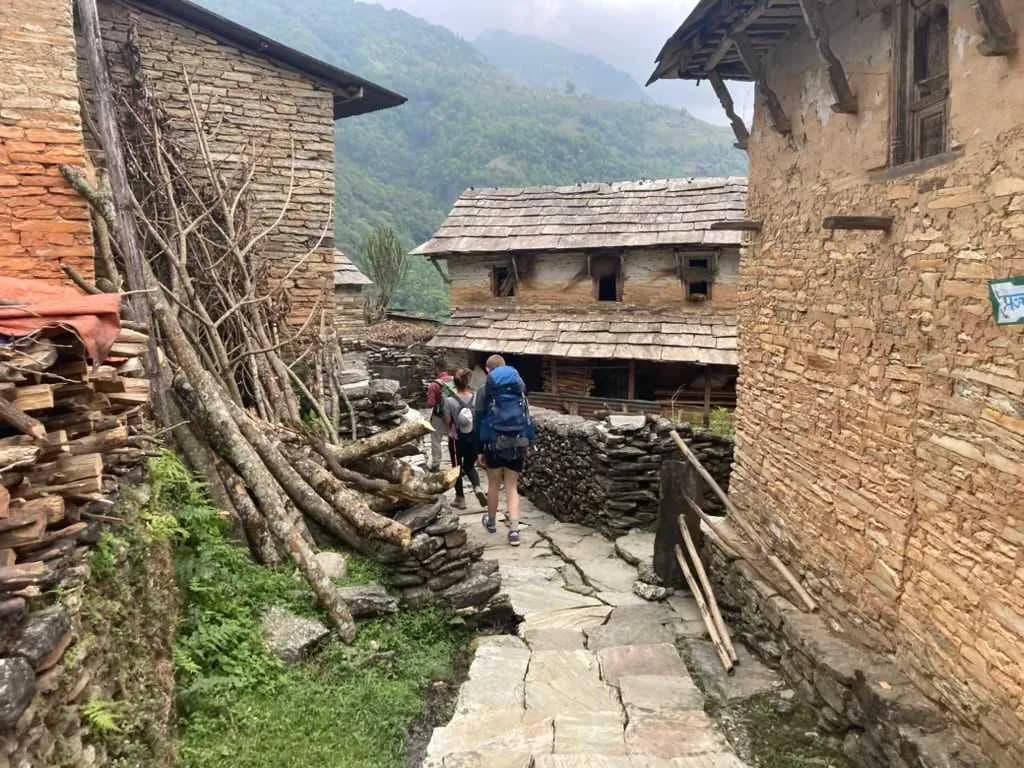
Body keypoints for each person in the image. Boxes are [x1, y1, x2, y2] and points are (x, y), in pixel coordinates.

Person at [473, 354, 535, 547]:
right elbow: (526, 415)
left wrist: (479, 449)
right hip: (518, 442)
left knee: (493, 483)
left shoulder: (484, 390)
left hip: (494, 443)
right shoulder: (519, 388)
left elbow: (478, 420)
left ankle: (491, 522)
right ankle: (514, 531)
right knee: (511, 486)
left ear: (487, 370)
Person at [444, 368, 487, 510]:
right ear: (468, 382)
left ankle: (460, 499)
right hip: (473, 437)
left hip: (456, 439)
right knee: (469, 466)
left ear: (455, 384)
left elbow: (447, 420)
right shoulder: (475, 398)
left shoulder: (449, 401)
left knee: (457, 468)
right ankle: (477, 487)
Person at [425, 368, 454, 471]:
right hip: (453, 417)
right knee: (454, 441)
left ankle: (436, 464)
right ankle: (457, 463)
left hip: (438, 417)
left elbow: (431, 404)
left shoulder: (434, 385)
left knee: (436, 441)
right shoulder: (454, 381)